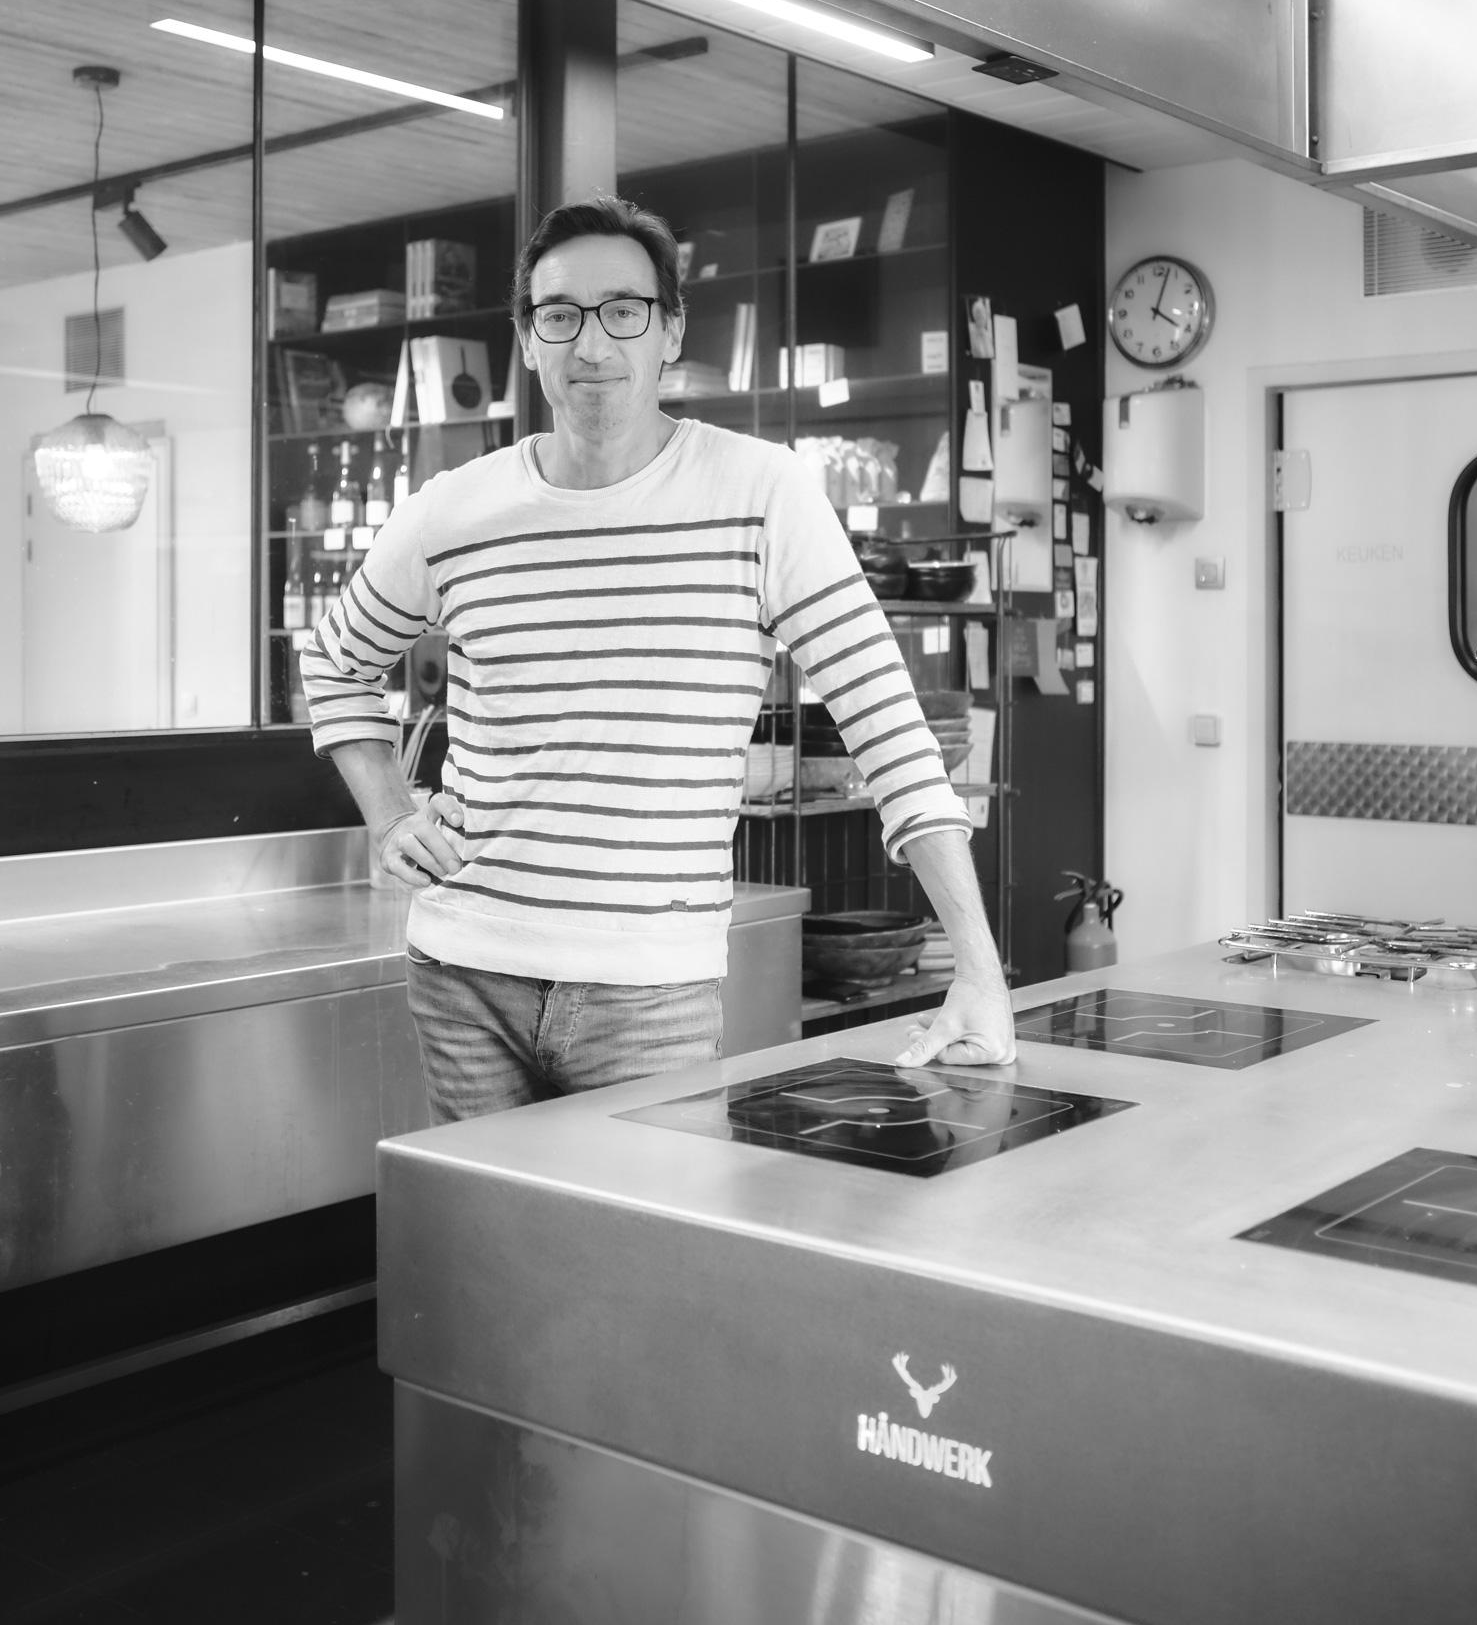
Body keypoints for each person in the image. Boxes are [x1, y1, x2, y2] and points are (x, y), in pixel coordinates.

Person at [301, 195, 1015, 1121]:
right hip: (462, 968)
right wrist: (391, 812)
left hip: (651, 998)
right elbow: (334, 661)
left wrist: (978, 967)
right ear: (527, 340)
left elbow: (888, 726)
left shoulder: (762, 493)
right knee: (476, 1221)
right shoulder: (455, 510)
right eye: (560, 315)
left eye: (624, 312)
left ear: (671, 331)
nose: (592, 344)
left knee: (644, 1224)